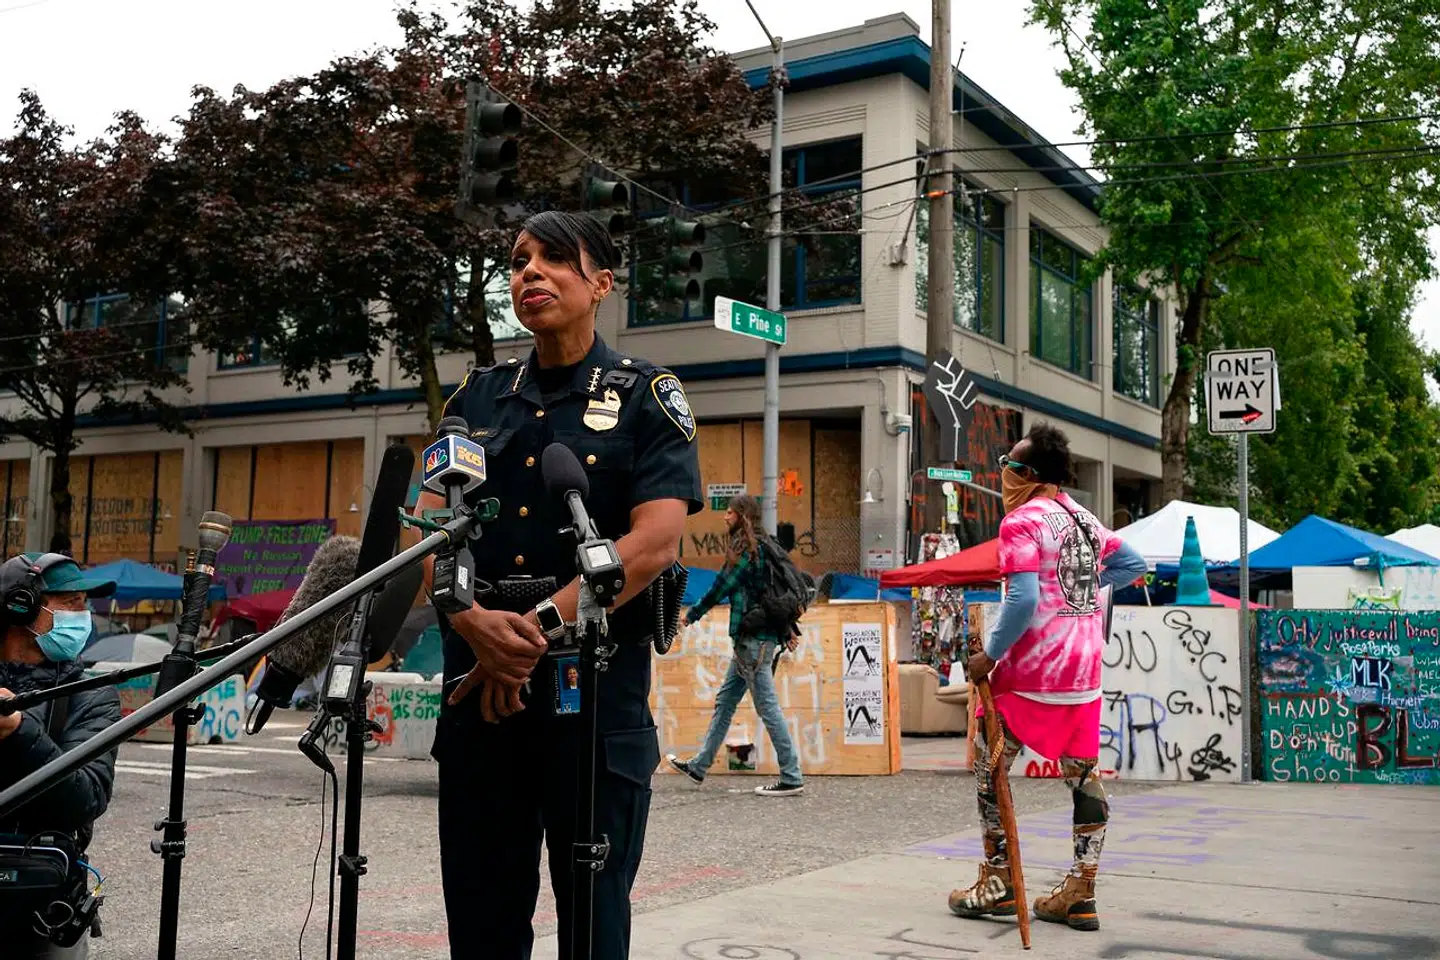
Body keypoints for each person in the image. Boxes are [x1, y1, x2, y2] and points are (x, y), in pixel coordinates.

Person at [415, 210, 702, 960]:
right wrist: (473, 624)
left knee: (592, 923)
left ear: (601, 282)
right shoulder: (475, 399)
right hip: (478, 688)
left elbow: (654, 542)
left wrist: (531, 633)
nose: (529, 273)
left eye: (552, 258)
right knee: (481, 920)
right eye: (518, 261)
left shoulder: (647, 394)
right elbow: (429, 534)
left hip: (593, 695)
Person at [947, 424, 1146, 932]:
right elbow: (1133, 563)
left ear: (1030, 475)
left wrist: (989, 656)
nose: (1003, 473)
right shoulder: (1083, 519)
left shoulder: (1021, 523)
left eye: (1009, 465)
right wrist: (1086, 584)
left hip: (1033, 673)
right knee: (1083, 776)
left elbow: (1022, 600)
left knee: (990, 769)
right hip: (1084, 671)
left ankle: (1000, 880)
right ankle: (1081, 891)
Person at [0, 552, 123, 959]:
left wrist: (18, 731)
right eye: (70, 603)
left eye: (84, 604)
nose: (82, 615)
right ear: (21, 607)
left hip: (42, 901)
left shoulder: (93, 695)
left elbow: (86, 798)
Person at [665, 494, 805, 797]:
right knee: (726, 701)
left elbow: (722, 587)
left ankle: (792, 775)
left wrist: (691, 615)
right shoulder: (763, 546)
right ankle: (699, 766)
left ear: (742, 516)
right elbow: (768, 594)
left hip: (752, 643)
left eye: (729, 512)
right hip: (752, 641)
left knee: (767, 707)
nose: (724, 517)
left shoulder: (746, 548)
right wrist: (786, 631)